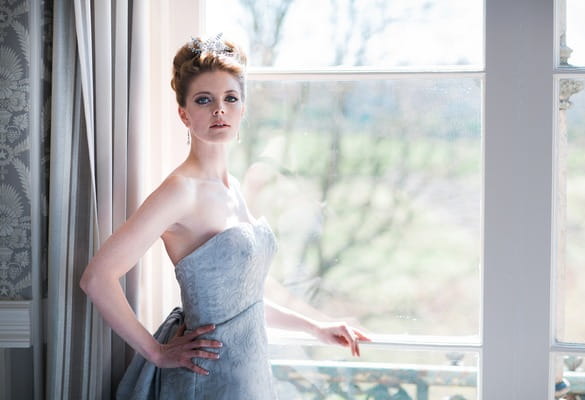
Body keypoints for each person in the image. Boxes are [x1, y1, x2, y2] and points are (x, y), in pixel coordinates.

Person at [79, 34, 370, 399]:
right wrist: (156, 352)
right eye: (204, 100)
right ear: (184, 113)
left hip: (247, 371)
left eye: (230, 99)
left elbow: (244, 304)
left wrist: (315, 327)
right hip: (206, 376)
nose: (219, 110)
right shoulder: (180, 191)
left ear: (242, 109)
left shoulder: (233, 187)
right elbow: (96, 278)